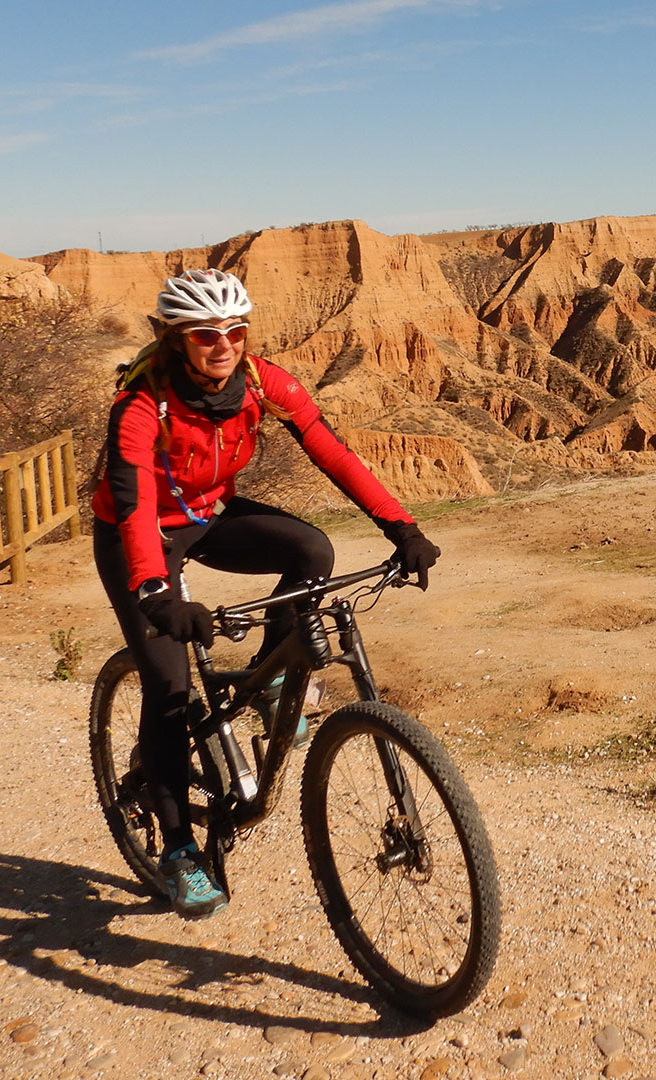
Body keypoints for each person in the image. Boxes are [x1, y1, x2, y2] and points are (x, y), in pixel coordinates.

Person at [92, 268, 440, 919]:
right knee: (170, 694)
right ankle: (178, 852)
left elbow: (333, 452)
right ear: (175, 338)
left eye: (235, 331)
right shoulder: (142, 406)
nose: (222, 345)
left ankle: (269, 677)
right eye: (204, 334)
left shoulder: (262, 383)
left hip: (208, 514)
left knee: (311, 551)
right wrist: (154, 593)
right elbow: (135, 506)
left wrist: (401, 526)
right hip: (137, 539)